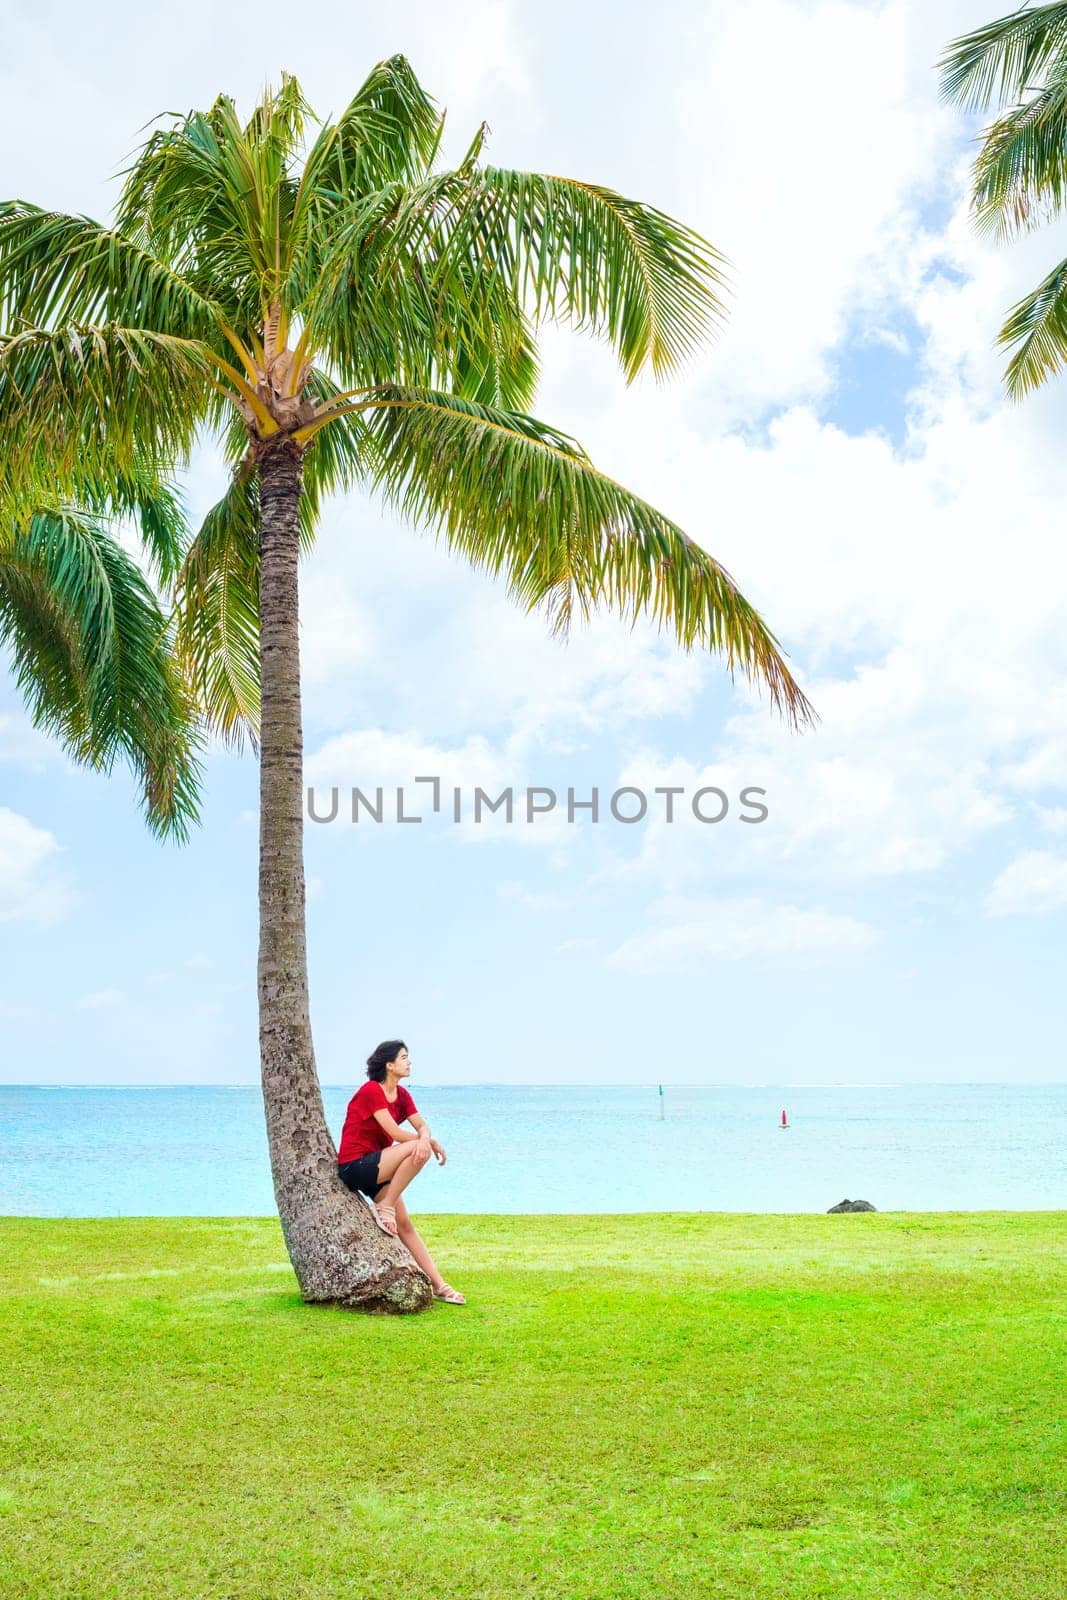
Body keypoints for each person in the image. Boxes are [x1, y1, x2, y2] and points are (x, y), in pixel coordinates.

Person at [336, 1040, 465, 1305]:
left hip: (379, 1168)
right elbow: (395, 1133)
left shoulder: (403, 1096)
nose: (409, 1062)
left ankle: (440, 1285)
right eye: (404, 1057)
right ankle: (385, 1206)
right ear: (389, 1064)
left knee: (405, 1226)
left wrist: (426, 1137)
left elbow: (421, 1126)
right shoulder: (372, 1091)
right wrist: (424, 1143)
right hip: (355, 1166)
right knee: (414, 1149)